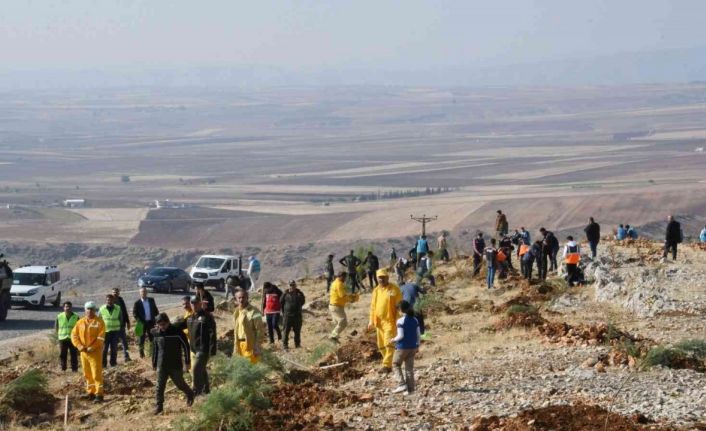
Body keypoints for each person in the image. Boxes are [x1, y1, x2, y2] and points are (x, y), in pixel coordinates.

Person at [151, 313, 194, 415]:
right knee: (159, 386)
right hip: (162, 364)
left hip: (175, 364)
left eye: (164, 324)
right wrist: (154, 362)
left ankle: (190, 394)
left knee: (180, 384)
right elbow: (155, 349)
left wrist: (187, 362)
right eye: (160, 325)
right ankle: (159, 406)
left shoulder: (177, 332)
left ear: (168, 322)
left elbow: (186, 347)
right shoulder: (156, 333)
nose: (163, 327)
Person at [176, 297, 216, 395]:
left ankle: (197, 393)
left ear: (200, 303)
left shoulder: (207, 317)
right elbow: (179, 326)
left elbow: (212, 334)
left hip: (203, 349)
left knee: (196, 370)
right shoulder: (190, 318)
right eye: (192, 303)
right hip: (194, 348)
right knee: (201, 370)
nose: (194, 305)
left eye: (196, 303)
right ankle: (206, 390)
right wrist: (167, 325)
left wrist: (212, 350)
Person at [368, 269, 402, 373]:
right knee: (381, 345)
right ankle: (390, 363)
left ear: (387, 277)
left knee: (389, 343)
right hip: (379, 322)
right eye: (380, 277)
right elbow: (373, 307)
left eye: (383, 277)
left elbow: (399, 306)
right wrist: (371, 321)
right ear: (377, 278)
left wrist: (399, 320)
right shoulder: (376, 290)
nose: (381, 279)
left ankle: (386, 365)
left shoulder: (394, 289)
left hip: (390, 321)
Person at [71, 301, 105, 402]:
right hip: (84, 352)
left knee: (96, 374)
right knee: (87, 374)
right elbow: (74, 335)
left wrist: (93, 347)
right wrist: (79, 346)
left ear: (95, 310)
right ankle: (91, 392)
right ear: (85, 310)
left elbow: (101, 338)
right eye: (88, 309)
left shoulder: (99, 322)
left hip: (95, 353)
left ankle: (99, 394)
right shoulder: (80, 322)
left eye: (92, 309)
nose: (90, 311)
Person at [389, 300, 420, 394]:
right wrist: (417, 345)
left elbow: (400, 336)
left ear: (401, 310)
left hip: (402, 347)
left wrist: (393, 339)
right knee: (409, 368)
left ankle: (401, 384)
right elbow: (418, 334)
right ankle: (411, 390)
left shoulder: (400, 321)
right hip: (413, 347)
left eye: (398, 309)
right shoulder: (415, 319)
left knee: (395, 364)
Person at [233, 289, 265, 364]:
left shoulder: (254, 311)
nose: (241, 299)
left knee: (251, 369)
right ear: (236, 299)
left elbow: (260, 330)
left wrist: (257, 346)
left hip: (250, 345)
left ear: (247, 298)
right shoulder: (236, 312)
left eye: (243, 297)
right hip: (239, 345)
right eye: (239, 298)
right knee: (240, 368)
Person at [329, 272, 358, 340]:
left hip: (334, 306)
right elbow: (342, 296)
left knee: (338, 323)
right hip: (336, 306)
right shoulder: (339, 284)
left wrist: (350, 296)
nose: (345, 279)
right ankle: (332, 336)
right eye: (344, 277)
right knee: (343, 322)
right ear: (341, 276)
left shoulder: (335, 282)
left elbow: (342, 294)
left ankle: (334, 337)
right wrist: (351, 300)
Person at [133, 287, 159, 358]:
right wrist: (139, 321)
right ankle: (141, 354)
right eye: (142, 292)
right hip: (142, 323)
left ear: (147, 292)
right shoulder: (137, 303)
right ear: (140, 293)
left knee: (152, 338)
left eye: (144, 291)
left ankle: (152, 352)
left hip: (151, 322)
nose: (143, 293)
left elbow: (156, 310)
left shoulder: (151, 300)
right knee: (141, 339)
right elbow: (135, 314)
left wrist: (157, 320)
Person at [99, 294, 123, 368]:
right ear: (106, 300)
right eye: (108, 300)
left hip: (115, 332)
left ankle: (113, 363)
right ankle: (103, 364)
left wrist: (119, 329)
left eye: (111, 300)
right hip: (105, 332)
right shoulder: (102, 309)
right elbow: (99, 320)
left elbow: (121, 319)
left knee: (114, 349)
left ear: (113, 300)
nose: (109, 301)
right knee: (104, 349)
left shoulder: (118, 308)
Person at [281, 280, 306, 350]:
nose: (292, 286)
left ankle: (297, 344)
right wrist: (284, 312)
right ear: (288, 286)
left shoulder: (299, 293)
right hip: (287, 316)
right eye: (290, 285)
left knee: (297, 331)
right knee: (286, 331)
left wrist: (298, 296)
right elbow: (281, 302)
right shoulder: (285, 294)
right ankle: (285, 345)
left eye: (293, 285)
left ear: (295, 285)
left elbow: (303, 301)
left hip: (297, 316)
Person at [55, 301, 79, 372]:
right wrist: (59, 335)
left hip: (73, 339)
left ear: (71, 308)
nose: (67, 308)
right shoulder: (59, 316)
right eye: (66, 307)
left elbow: (79, 327)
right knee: (63, 354)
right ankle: (63, 368)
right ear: (63, 308)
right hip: (63, 338)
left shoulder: (76, 316)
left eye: (69, 307)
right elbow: (56, 327)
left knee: (74, 354)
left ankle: (74, 369)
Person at [111, 288, 131, 363]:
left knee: (124, 342)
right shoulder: (110, 301)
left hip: (121, 325)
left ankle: (127, 357)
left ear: (119, 293)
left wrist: (128, 322)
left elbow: (124, 311)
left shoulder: (121, 300)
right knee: (114, 344)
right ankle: (114, 360)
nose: (115, 293)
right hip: (113, 327)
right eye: (113, 292)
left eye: (116, 292)